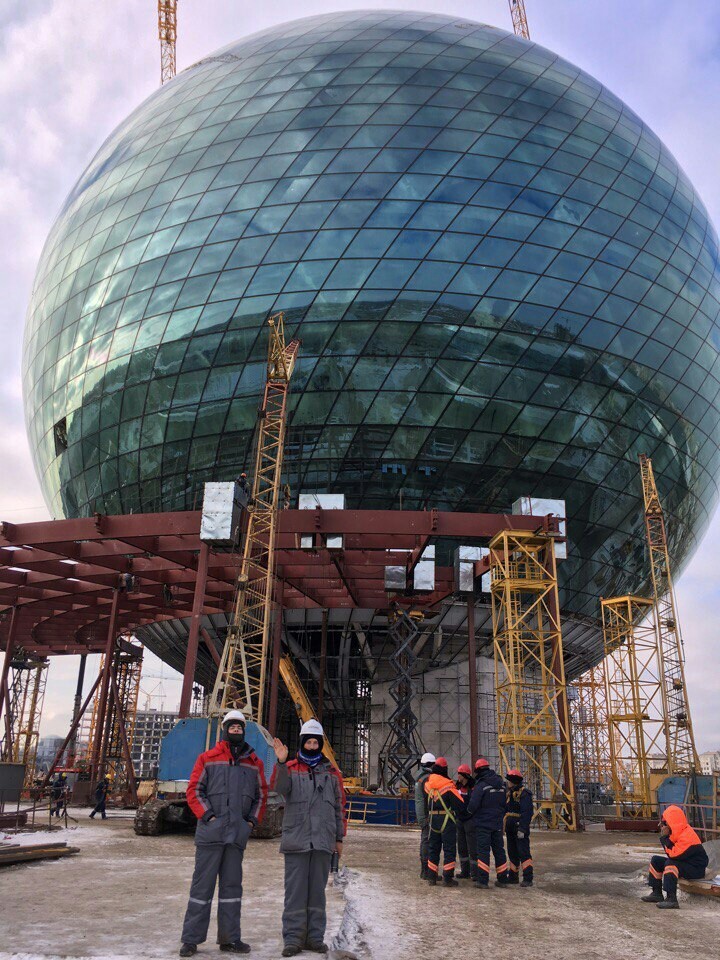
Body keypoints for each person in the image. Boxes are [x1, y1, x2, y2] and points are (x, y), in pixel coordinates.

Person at [179, 710, 268, 957]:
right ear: (225, 729)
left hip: (236, 836)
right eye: (232, 727)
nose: (236, 730)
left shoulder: (254, 763)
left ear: (243, 731)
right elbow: (194, 790)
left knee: (231, 890)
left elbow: (261, 795)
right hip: (211, 834)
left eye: (240, 727)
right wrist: (208, 816)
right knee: (201, 889)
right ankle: (191, 940)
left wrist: (250, 821)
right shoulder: (208, 758)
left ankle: (230, 939)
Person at [272, 719, 346, 957]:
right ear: (303, 742)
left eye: (316, 742)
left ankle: (315, 938)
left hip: (323, 841)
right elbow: (280, 789)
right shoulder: (291, 768)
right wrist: (281, 762)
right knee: (295, 892)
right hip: (297, 840)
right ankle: (292, 939)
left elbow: (338, 807)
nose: (312, 746)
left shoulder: (332, 773)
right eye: (309, 742)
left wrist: (339, 838)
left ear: (320, 744)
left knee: (317, 892)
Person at [642, 805, 709, 909]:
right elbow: (672, 852)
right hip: (685, 863)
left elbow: (673, 854)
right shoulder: (676, 833)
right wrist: (666, 837)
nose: (662, 826)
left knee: (671, 864)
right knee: (656, 860)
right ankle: (656, 893)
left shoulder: (687, 836)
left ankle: (671, 899)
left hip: (696, 868)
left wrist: (664, 837)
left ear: (672, 823)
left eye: (665, 823)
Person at [467, 758, 509, 889]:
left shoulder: (481, 785)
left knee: (483, 852)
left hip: (483, 824)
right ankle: (502, 879)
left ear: (478, 770)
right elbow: (504, 804)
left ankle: (483, 881)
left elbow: (473, 805)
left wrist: (469, 813)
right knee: (499, 851)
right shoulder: (502, 784)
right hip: (497, 824)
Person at [424, 757, 465, 887]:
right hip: (447, 820)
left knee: (433, 848)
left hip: (432, 820)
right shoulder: (448, 785)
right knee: (449, 849)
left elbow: (425, 803)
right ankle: (447, 878)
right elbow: (460, 805)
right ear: (445, 769)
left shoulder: (427, 783)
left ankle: (432, 877)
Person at [505, 768, 533, 886]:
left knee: (523, 852)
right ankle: (513, 876)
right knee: (512, 852)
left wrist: (522, 828)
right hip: (510, 828)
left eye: (509, 781)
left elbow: (527, 813)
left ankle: (528, 878)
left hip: (519, 827)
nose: (507, 782)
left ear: (513, 781)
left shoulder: (524, 794)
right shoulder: (509, 793)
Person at [414, 752, 436, 880]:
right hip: (427, 815)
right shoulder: (427, 779)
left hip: (421, 814)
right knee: (428, 841)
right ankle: (427, 871)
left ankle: (425, 870)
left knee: (425, 840)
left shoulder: (419, 777)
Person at [455, 764, 477, 880]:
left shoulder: (473, 787)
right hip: (459, 820)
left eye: (459, 774)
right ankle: (465, 872)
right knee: (462, 846)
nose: (457, 776)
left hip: (470, 820)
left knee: (472, 847)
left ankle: (474, 873)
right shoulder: (457, 787)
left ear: (464, 776)